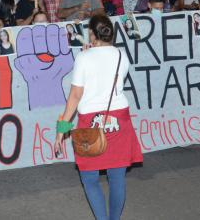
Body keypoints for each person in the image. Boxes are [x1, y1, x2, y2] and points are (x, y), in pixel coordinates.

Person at [54, 15, 143, 220]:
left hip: (90, 122)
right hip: (119, 119)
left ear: (92, 34)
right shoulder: (122, 55)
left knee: (90, 177)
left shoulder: (83, 58)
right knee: (117, 177)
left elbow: (75, 96)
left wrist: (61, 130)